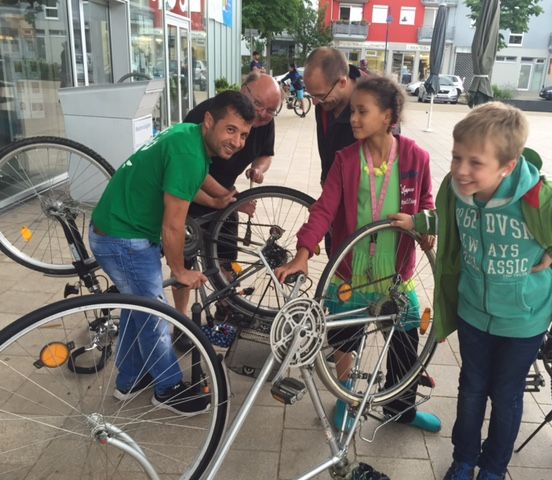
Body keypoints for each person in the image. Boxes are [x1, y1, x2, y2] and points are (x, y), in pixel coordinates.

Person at [390, 102, 552, 480]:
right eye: (456, 158)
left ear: (508, 165)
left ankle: (494, 467)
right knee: (470, 391)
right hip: (473, 312)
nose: (461, 170)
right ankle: (464, 458)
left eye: (475, 162)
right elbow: (449, 219)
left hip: (523, 319)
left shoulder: (542, 196)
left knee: (505, 397)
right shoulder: (457, 190)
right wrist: (420, 219)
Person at [275, 76, 442, 435]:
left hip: (396, 274)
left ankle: (402, 408)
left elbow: (427, 202)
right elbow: (323, 209)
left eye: (361, 111)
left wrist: (423, 224)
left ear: (388, 116)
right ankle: (346, 397)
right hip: (350, 272)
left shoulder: (416, 157)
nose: (353, 118)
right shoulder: (346, 160)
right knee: (344, 340)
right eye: (352, 111)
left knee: (403, 342)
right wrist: (304, 252)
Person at [89, 91, 255, 416]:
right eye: (231, 130)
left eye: (244, 135)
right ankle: (167, 388)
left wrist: (219, 199)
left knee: (136, 307)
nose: (237, 141)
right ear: (210, 121)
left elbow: (187, 182)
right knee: (154, 313)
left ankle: (130, 378)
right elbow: (174, 225)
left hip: (118, 229)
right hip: (124, 239)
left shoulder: (188, 136)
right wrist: (179, 271)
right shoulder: (189, 152)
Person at [171, 71, 281, 319]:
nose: (263, 114)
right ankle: (181, 319)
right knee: (184, 261)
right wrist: (231, 199)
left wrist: (258, 169)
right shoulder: (206, 115)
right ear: (245, 91)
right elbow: (192, 171)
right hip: (190, 193)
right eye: (259, 105)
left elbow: (266, 153)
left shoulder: (264, 123)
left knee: (227, 257)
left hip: (226, 196)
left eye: (271, 110)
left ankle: (227, 305)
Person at [303, 47, 365, 186]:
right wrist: (325, 180)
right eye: (311, 95)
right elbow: (326, 147)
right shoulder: (324, 101)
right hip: (334, 187)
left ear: (342, 82)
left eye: (320, 95)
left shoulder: (377, 99)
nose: (314, 102)